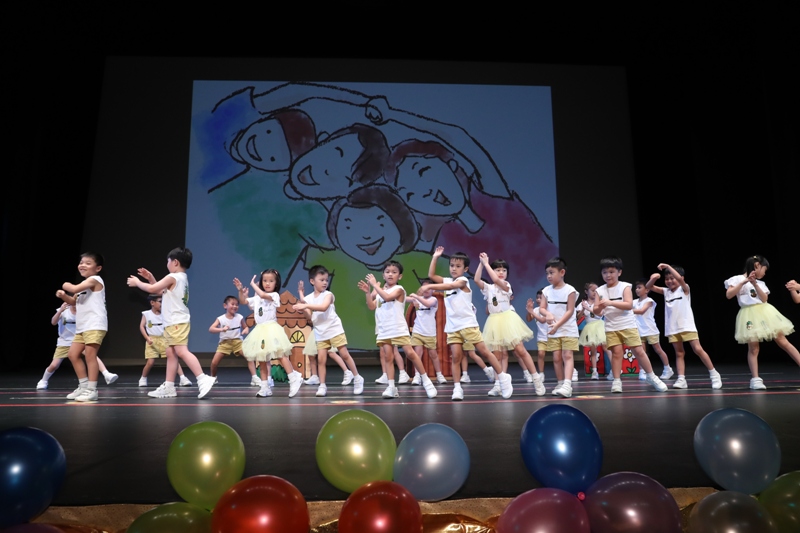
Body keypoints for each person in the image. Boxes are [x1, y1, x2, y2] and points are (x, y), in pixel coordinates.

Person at [419, 247, 513, 401]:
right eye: (451, 265)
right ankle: (457, 388)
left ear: (465, 269)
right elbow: (431, 275)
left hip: (468, 324)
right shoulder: (447, 280)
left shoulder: (463, 281)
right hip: (452, 326)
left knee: (484, 352)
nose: (454, 269)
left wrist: (429, 286)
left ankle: (503, 378)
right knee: (456, 357)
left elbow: (450, 287)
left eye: (458, 266)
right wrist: (435, 257)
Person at [126, 247, 215, 399]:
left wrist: (138, 282)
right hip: (171, 322)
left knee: (181, 351)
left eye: (168, 261)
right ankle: (169, 386)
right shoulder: (181, 278)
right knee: (171, 353)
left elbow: (153, 289)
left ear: (175, 262)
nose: (166, 264)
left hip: (176, 322)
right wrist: (150, 277)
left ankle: (202, 378)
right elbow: (160, 291)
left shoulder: (173, 277)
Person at [358, 261, 438, 399]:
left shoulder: (399, 289)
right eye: (387, 272)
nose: (390, 274)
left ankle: (427, 382)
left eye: (394, 272)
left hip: (398, 327)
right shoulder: (380, 292)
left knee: (410, 353)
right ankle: (391, 387)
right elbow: (371, 306)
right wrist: (368, 292)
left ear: (399, 276)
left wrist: (375, 285)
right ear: (383, 275)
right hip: (384, 329)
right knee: (388, 357)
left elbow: (388, 297)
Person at [593, 257, 669, 394]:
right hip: (611, 327)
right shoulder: (599, 290)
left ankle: (651, 376)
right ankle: (617, 381)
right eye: (605, 272)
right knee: (616, 353)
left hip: (627, 325)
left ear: (619, 272)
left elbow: (628, 305)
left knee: (638, 351)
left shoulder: (625, 286)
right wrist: (599, 307)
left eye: (611, 272)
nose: (608, 275)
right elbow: (596, 311)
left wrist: (610, 303)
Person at [473, 254, 545, 396]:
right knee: (497, 355)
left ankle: (537, 380)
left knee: (520, 350)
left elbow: (495, 279)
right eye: (498, 270)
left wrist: (487, 264)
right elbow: (476, 279)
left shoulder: (506, 285)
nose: (501, 272)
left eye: (504, 270)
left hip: (508, 320)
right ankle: (498, 384)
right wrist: (481, 264)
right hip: (494, 321)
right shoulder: (488, 288)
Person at [724, 255, 799, 389]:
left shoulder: (761, 283)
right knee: (753, 347)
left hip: (766, 313)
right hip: (748, 315)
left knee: (783, 341)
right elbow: (729, 295)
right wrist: (744, 282)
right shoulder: (736, 279)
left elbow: (764, 299)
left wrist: (755, 284)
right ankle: (755, 379)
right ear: (757, 265)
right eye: (764, 269)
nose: (764, 273)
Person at [644, 263, 721, 390]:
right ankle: (681, 379)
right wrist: (653, 278)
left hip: (687, 326)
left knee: (697, 349)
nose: (669, 281)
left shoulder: (684, 289)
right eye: (667, 279)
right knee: (679, 353)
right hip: (672, 328)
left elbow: (679, 279)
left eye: (672, 278)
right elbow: (648, 287)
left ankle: (714, 374)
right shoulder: (666, 292)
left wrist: (668, 266)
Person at [292, 265, 364, 397]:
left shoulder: (328, 295)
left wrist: (305, 305)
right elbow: (309, 317)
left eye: (326, 280)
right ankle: (322, 386)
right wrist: (303, 307)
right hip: (320, 332)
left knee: (344, 354)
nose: (325, 282)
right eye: (321, 280)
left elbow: (323, 307)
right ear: (312, 281)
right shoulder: (308, 298)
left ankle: (357, 378)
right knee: (321, 360)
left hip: (334, 329)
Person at [235, 270, 303, 398]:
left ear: (276, 284)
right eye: (265, 281)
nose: (267, 283)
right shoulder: (257, 298)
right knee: (261, 359)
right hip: (260, 330)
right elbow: (244, 301)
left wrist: (253, 284)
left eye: (271, 281)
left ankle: (294, 377)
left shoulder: (274, 295)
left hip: (271, 328)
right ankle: (265, 386)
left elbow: (262, 294)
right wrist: (240, 290)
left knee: (280, 354)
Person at [55, 252, 108, 402]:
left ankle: (92, 389)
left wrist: (65, 285)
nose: (82, 265)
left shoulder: (95, 279)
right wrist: (63, 296)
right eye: (81, 262)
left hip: (94, 324)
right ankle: (83, 386)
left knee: (90, 356)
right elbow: (74, 301)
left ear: (98, 268)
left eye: (88, 263)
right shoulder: (85, 284)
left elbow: (73, 288)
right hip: (83, 325)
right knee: (72, 354)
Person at [37, 302, 118, 390]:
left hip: (78, 341)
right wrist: (60, 311)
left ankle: (106, 374)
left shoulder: (83, 312)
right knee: (54, 365)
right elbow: (53, 322)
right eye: (73, 303)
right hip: (64, 342)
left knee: (91, 355)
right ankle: (43, 380)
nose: (75, 305)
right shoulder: (64, 311)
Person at [539, 257, 581, 398]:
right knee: (556, 357)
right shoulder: (546, 290)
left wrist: (557, 324)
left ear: (562, 272)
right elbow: (542, 308)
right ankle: (560, 382)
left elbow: (570, 311)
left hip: (568, 329)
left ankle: (567, 385)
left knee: (567, 355)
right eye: (547, 273)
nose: (549, 276)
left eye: (552, 272)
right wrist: (548, 314)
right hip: (553, 330)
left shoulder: (570, 290)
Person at [139, 295, 191, 387]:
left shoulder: (165, 314)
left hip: (164, 339)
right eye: (160, 302)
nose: (162, 304)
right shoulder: (146, 314)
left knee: (172, 358)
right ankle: (143, 378)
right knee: (150, 362)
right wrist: (147, 337)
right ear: (152, 303)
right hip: (152, 340)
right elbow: (142, 326)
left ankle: (183, 378)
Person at [209, 295, 257, 385]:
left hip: (237, 342)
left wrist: (246, 330)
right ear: (225, 306)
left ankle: (254, 378)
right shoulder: (220, 318)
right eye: (232, 304)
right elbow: (211, 329)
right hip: (224, 343)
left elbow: (245, 327)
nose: (235, 306)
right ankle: (213, 377)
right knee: (214, 362)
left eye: (237, 305)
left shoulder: (239, 317)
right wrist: (221, 329)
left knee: (249, 357)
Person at [406, 284, 447, 385]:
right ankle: (417, 376)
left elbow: (428, 304)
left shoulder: (434, 299)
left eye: (429, 288)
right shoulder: (417, 299)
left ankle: (439, 375)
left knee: (433, 354)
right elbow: (404, 299)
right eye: (424, 288)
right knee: (417, 354)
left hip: (429, 332)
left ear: (433, 290)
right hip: (417, 331)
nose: (426, 290)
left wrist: (416, 296)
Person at [632, 280, 673, 381]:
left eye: (639, 287)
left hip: (650, 330)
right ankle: (642, 371)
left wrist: (628, 310)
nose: (637, 290)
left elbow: (641, 311)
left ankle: (667, 369)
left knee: (658, 350)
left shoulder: (649, 301)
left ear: (647, 290)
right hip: (639, 330)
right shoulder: (634, 302)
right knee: (641, 352)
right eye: (636, 288)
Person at [578, 283, 606, 380]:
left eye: (596, 290)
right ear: (586, 292)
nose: (595, 292)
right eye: (593, 290)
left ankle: (614, 371)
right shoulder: (583, 303)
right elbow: (578, 317)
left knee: (606, 347)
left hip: (600, 326)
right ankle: (594, 371)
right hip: (590, 327)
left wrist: (588, 308)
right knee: (593, 350)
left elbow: (600, 314)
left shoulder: (600, 303)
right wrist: (583, 309)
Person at [526, 290, 553, 379]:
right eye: (537, 297)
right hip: (541, 337)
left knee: (558, 356)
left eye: (540, 298)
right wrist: (529, 310)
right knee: (541, 354)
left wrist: (532, 312)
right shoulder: (536, 310)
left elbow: (542, 320)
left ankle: (571, 371)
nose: (538, 300)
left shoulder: (549, 309)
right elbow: (529, 319)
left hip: (553, 336)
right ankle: (541, 373)